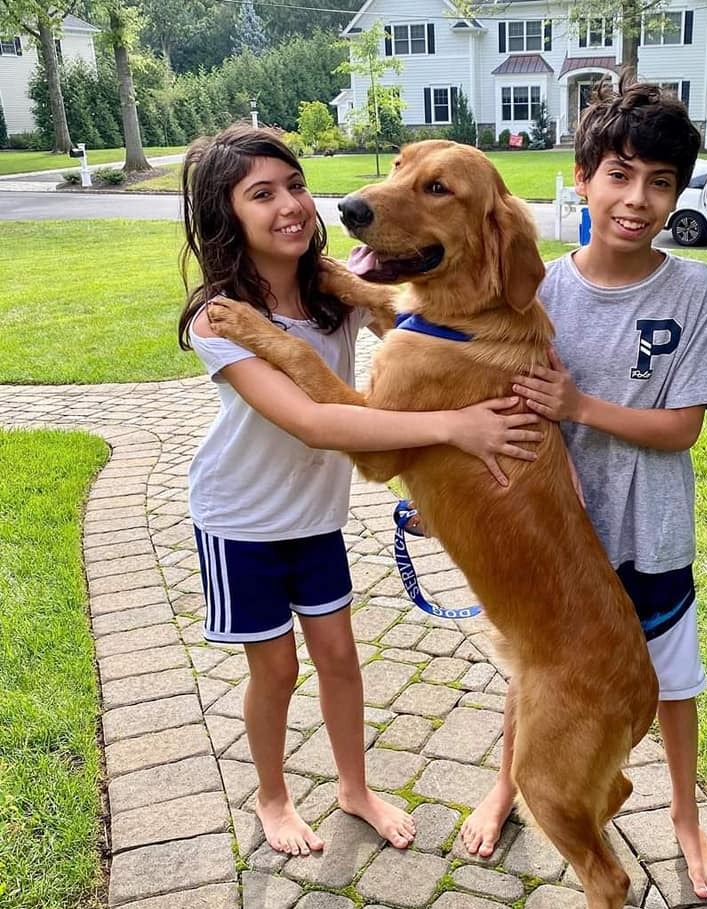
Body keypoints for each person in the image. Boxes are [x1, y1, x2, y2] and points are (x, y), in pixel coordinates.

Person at [178, 122, 541, 857]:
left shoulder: (332, 293)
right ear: (227, 216)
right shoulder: (221, 319)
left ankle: (354, 788)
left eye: (295, 186)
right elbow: (316, 422)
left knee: (341, 659)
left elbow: (404, 326)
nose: (290, 205)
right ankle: (273, 797)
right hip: (241, 520)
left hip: (316, 518)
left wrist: (359, 288)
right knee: (276, 670)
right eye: (261, 195)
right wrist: (455, 428)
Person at [461, 79, 707, 901]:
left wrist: (579, 405)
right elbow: (501, 410)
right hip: (555, 545)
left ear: (677, 194)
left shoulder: (693, 291)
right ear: (582, 177)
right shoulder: (538, 290)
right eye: (619, 175)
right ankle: (507, 785)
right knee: (533, 675)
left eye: (660, 182)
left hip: (650, 535)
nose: (637, 199)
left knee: (674, 684)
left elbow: (681, 427)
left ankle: (686, 817)